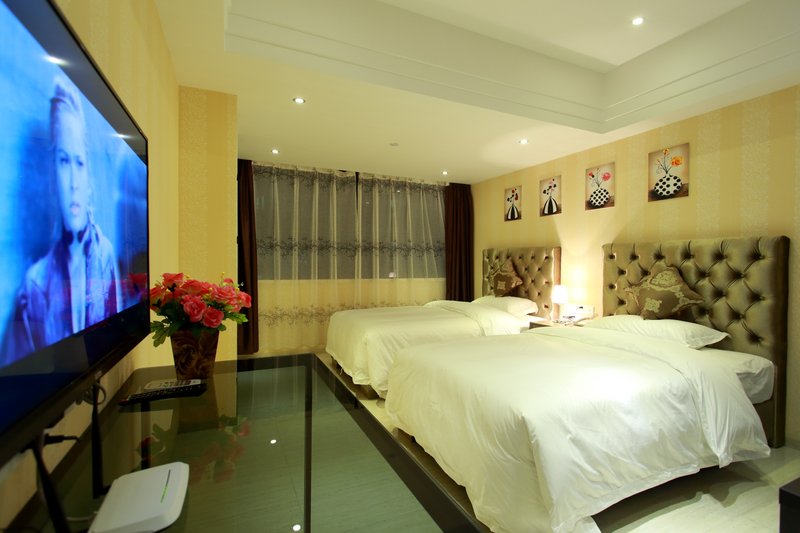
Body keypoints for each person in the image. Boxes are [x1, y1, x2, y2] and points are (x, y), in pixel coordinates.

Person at [2, 77, 121, 365]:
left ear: (88, 174)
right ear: (52, 171)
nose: (73, 183)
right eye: (63, 161)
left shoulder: (104, 254)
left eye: (79, 162)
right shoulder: (35, 286)